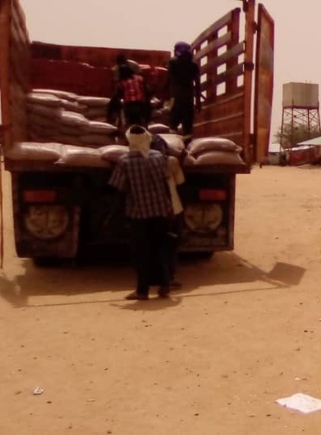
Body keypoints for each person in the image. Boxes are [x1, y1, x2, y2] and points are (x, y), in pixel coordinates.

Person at [109, 125, 173, 300]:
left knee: (141, 253)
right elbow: (167, 182)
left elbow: (120, 190)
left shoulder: (125, 161)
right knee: (160, 248)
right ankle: (165, 284)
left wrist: (115, 214)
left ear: (129, 140)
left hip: (139, 214)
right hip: (160, 210)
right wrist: (170, 207)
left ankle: (142, 290)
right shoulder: (159, 157)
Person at [150, 134, 186, 289]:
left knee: (153, 244)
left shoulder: (141, 161)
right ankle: (169, 277)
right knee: (170, 245)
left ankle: (154, 277)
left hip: (151, 210)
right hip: (173, 209)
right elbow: (180, 182)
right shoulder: (171, 161)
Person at [165, 41, 201, 142]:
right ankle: (186, 149)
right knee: (188, 128)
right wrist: (198, 102)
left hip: (176, 98)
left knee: (173, 125)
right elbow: (197, 84)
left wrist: (163, 94)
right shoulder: (194, 65)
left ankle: (174, 148)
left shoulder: (173, 62)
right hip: (189, 99)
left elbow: (169, 80)